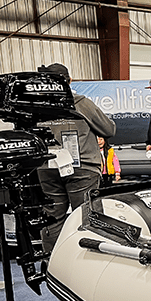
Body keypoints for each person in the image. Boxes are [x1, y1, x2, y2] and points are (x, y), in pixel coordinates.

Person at [35, 63, 116, 252]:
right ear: (69, 81)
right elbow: (108, 129)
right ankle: (87, 258)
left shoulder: (36, 106)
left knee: (52, 217)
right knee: (86, 215)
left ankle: (51, 258)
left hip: (47, 168)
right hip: (82, 168)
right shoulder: (80, 103)